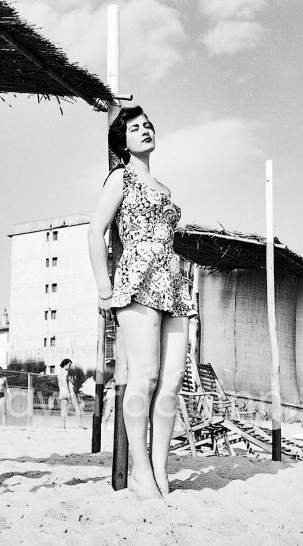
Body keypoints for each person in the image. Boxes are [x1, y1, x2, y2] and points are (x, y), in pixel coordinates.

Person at [88, 106, 195, 500]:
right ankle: (140, 471)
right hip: (136, 279)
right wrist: (104, 288)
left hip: (172, 281)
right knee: (145, 376)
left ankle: (161, 471)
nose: (145, 130)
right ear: (123, 141)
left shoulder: (164, 189)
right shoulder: (121, 177)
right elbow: (95, 231)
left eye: (148, 124)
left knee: (170, 384)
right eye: (135, 128)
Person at [57, 358, 85, 429]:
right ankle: (80, 424)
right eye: (69, 365)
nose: (70, 367)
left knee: (63, 410)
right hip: (69, 391)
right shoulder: (66, 372)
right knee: (77, 408)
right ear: (65, 364)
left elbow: (60, 384)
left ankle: (63, 426)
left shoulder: (59, 372)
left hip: (62, 391)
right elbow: (67, 383)